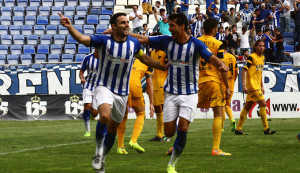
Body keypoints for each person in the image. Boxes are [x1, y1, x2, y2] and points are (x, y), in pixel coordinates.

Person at [58, 12, 168, 172]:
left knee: (113, 128)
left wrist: (162, 67)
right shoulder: (103, 41)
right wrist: (69, 27)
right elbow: (82, 39)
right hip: (104, 87)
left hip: (122, 92)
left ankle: (102, 158)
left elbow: (144, 59)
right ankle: (97, 152)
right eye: (123, 23)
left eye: (126, 22)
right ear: (114, 26)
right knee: (104, 116)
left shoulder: (133, 43)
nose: (126, 25)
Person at [129, 13, 228, 173]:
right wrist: (124, 33)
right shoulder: (166, 41)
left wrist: (221, 64)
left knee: (183, 126)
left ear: (182, 26)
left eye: (172, 25)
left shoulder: (196, 44)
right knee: (169, 131)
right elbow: (142, 39)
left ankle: (172, 164)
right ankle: (174, 142)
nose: (169, 28)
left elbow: (211, 57)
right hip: (171, 93)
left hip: (190, 94)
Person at [197, 18, 231, 156]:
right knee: (218, 113)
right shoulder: (219, 44)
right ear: (213, 29)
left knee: (186, 113)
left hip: (197, 81)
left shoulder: (195, 41)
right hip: (214, 81)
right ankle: (216, 149)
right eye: (217, 29)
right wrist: (227, 86)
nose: (217, 31)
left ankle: (175, 146)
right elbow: (222, 66)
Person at [235, 40, 276, 135]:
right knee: (263, 104)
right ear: (255, 47)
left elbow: (259, 73)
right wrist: (244, 85)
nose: (261, 47)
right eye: (259, 45)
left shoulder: (262, 58)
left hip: (257, 86)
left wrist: (262, 85)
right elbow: (244, 71)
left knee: (247, 107)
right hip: (252, 86)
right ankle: (266, 128)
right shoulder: (251, 57)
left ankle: (238, 129)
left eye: (263, 46)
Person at [117, 57, 154, 155]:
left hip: (121, 85)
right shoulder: (148, 62)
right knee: (141, 114)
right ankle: (133, 141)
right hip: (134, 86)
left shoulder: (125, 57)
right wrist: (151, 103)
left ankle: (120, 147)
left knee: (123, 116)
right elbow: (149, 83)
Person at [148, 32, 169, 141]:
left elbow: (168, 68)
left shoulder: (164, 53)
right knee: (157, 109)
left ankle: (167, 135)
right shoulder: (151, 54)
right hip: (154, 83)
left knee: (165, 108)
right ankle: (159, 135)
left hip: (163, 83)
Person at [79, 50, 100, 137]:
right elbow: (81, 71)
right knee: (87, 105)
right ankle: (87, 131)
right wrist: (82, 78)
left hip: (99, 87)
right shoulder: (88, 58)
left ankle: (92, 115)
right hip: (88, 85)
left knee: (95, 112)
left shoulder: (105, 58)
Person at [221, 41, 237, 132]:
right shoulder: (232, 57)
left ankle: (222, 127)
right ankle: (232, 119)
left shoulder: (221, 57)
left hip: (223, 85)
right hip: (231, 85)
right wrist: (233, 81)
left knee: (222, 106)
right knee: (227, 105)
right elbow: (236, 71)